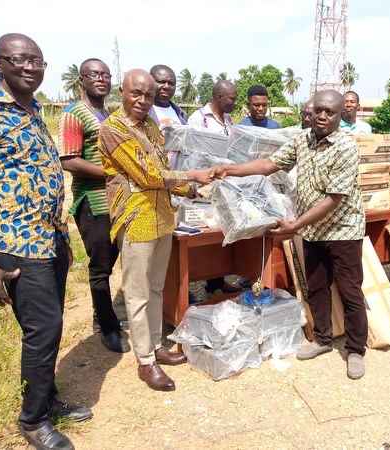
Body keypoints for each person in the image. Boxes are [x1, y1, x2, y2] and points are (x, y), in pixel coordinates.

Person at [211, 90, 368, 380]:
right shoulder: (303, 140)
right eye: (318, 110)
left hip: (343, 230)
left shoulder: (346, 148)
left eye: (329, 112)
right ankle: (322, 338)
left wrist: (294, 226)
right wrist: (230, 170)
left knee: (350, 291)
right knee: (317, 287)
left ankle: (356, 349)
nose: (322, 116)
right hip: (312, 229)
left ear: (338, 116)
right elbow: (270, 164)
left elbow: (333, 199)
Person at [0, 33, 91, 450]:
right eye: (20, 60)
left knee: (49, 328)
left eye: (38, 61)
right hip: (16, 243)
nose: (31, 67)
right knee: (43, 329)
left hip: (50, 239)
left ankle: (46, 398)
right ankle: (32, 421)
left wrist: (62, 236)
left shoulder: (32, 110)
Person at [98, 69, 211, 391]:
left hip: (161, 216)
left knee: (156, 287)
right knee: (136, 294)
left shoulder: (149, 125)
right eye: (136, 93)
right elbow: (148, 175)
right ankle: (145, 361)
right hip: (135, 219)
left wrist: (193, 191)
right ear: (122, 91)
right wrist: (194, 175)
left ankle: (158, 346)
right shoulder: (113, 128)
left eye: (147, 96)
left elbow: (164, 172)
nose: (142, 101)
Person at [58, 58, 129, 354]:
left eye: (105, 75)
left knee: (115, 262)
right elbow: (69, 160)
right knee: (101, 267)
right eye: (93, 74)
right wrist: (114, 173)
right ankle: (106, 325)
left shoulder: (106, 114)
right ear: (82, 80)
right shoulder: (74, 114)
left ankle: (106, 314)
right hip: (94, 203)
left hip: (117, 201)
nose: (101, 79)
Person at [187, 80, 242, 296]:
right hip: (204, 184)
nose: (235, 102)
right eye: (232, 98)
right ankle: (199, 281)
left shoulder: (227, 121)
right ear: (219, 97)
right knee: (203, 233)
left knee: (220, 232)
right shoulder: (198, 118)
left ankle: (217, 282)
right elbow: (192, 154)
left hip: (223, 184)